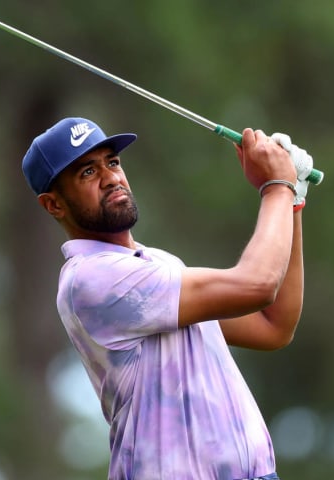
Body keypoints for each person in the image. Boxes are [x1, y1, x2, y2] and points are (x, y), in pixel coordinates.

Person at [22, 117, 312, 480]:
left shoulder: (158, 264)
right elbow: (257, 285)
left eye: (112, 162)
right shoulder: (92, 279)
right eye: (88, 172)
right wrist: (277, 187)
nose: (111, 178)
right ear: (54, 204)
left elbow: (273, 326)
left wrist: (292, 201)